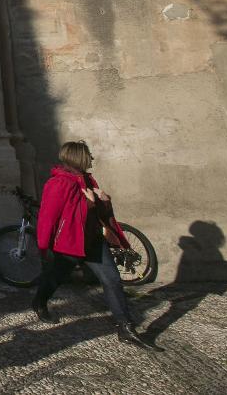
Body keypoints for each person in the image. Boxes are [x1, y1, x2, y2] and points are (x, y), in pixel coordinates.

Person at [32, 140, 157, 350]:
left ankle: (125, 327)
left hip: (92, 241)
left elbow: (94, 212)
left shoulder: (87, 180)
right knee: (56, 276)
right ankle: (40, 301)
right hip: (70, 243)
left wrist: (103, 200)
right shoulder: (59, 183)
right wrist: (43, 246)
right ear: (78, 157)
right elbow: (48, 217)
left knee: (112, 280)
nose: (91, 158)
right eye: (88, 154)